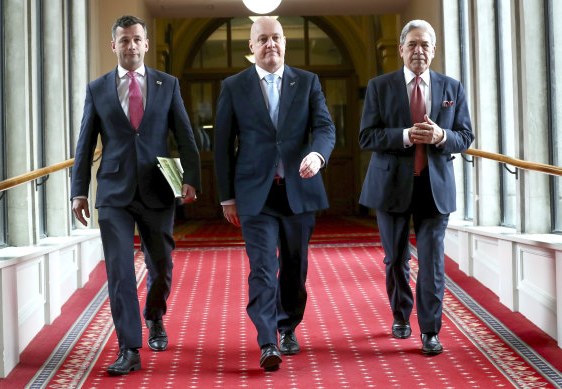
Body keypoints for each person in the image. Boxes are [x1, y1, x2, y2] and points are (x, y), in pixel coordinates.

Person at [71, 15, 201, 375]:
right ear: (113, 45)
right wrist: (78, 191)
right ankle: (129, 347)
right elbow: (85, 144)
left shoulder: (167, 84)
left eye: (136, 39)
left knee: (161, 264)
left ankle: (155, 316)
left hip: (157, 188)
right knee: (120, 270)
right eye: (123, 40)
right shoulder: (97, 89)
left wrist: (191, 178)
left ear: (145, 44)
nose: (130, 46)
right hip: (113, 191)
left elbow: (185, 135)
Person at [214, 16, 335, 371]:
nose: (271, 44)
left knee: (295, 269)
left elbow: (325, 128)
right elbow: (223, 146)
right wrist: (227, 197)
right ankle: (268, 340)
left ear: (285, 42)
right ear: (251, 47)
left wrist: (317, 154)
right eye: (263, 39)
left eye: (276, 38)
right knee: (264, 268)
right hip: (255, 195)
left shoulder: (307, 81)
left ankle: (288, 325)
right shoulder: (234, 86)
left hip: (299, 189)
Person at [358, 19, 474, 355]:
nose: (419, 51)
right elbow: (367, 136)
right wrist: (405, 135)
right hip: (391, 184)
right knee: (395, 259)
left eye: (425, 45)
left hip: (434, 186)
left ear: (433, 50)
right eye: (412, 45)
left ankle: (430, 331)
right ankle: (400, 315)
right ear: (401, 50)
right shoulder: (380, 86)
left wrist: (442, 136)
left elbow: (465, 137)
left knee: (433, 261)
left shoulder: (452, 88)